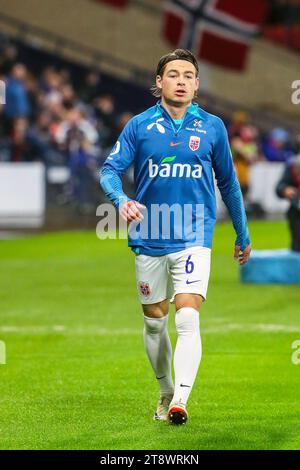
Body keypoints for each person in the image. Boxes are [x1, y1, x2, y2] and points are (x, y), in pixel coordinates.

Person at [100, 49, 251, 425]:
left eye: (188, 75)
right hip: (149, 235)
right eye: (173, 74)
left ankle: (181, 399)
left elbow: (229, 183)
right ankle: (166, 389)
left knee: (186, 317)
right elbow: (109, 170)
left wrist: (241, 231)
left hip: (194, 234)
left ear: (197, 84)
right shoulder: (138, 126)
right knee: (155, 320)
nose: (181, 81)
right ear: (159, 82)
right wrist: (121, 200)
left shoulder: (212, 127)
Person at [276, 154, 300, 252]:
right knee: (297, 245)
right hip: (296, 212)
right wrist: (284, 190)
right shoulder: (291, 167)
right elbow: (279, 187)